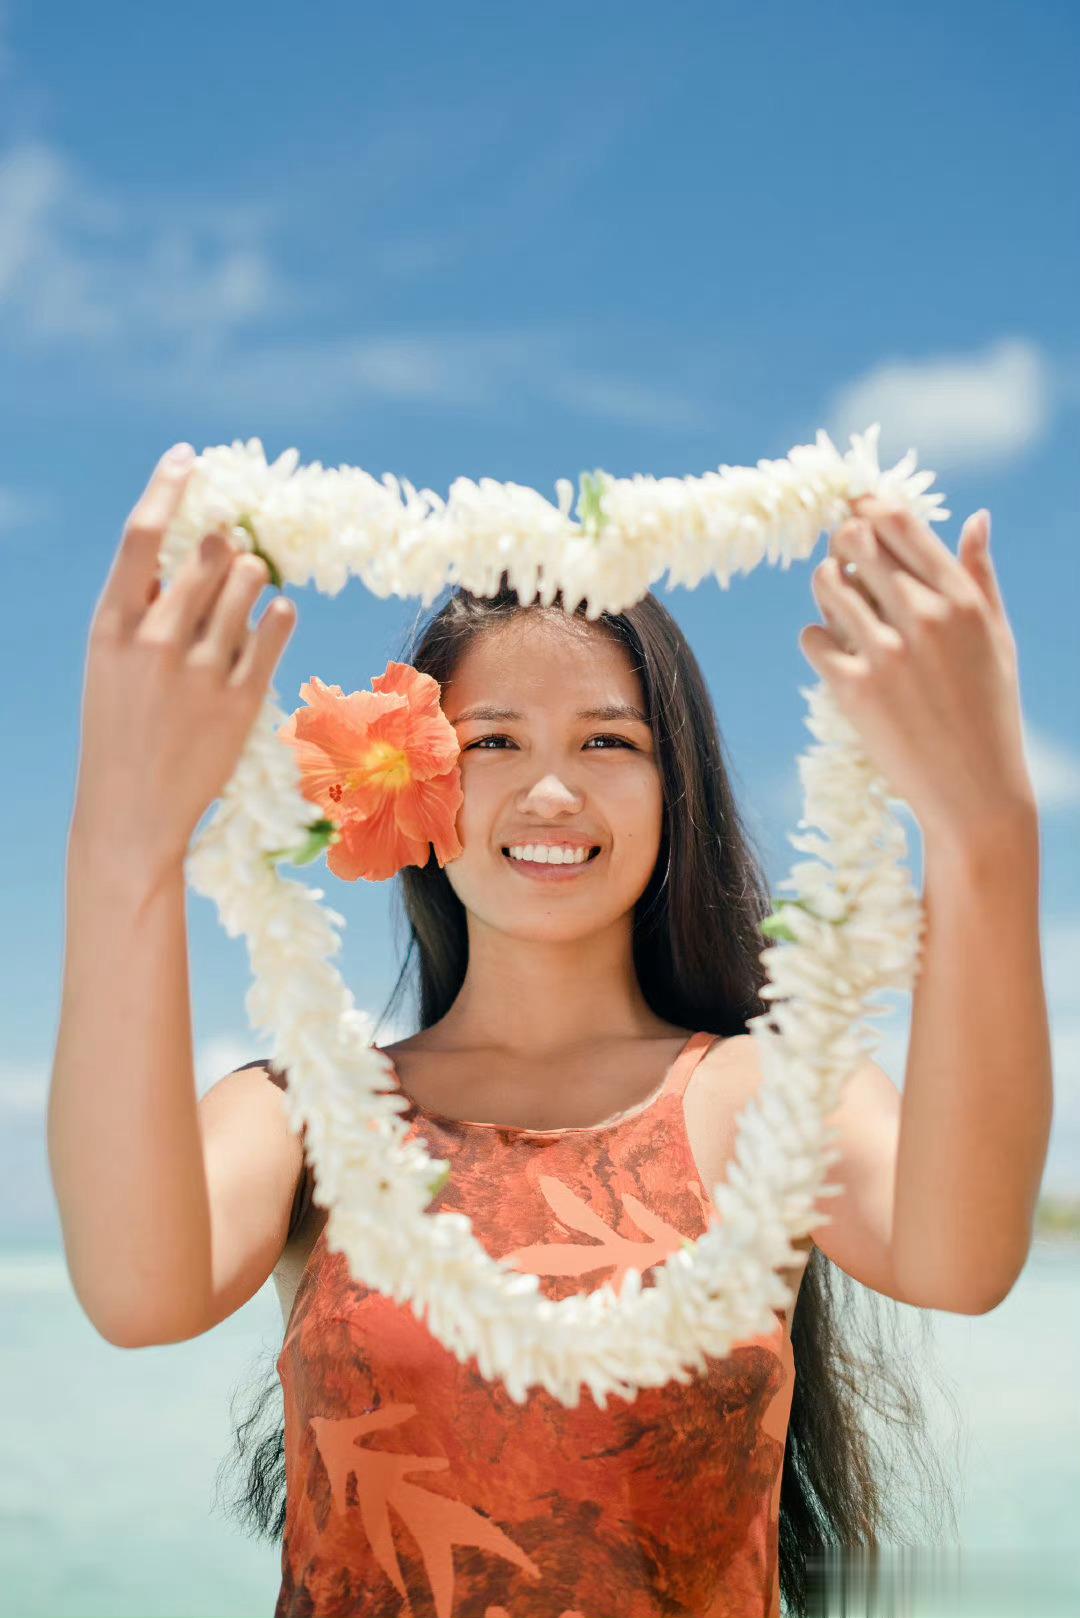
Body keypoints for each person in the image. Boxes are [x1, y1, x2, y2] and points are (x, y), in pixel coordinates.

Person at [50, 445, 960, 1618]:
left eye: (607, 741)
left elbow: (958, 1258)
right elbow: (135, 1293)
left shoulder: (773, 1094)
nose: (550, 793)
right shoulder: (302, 1116)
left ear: (677, 786)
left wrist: (983, 828)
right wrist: (123, 840)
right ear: (411, 785)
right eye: (493, 741)